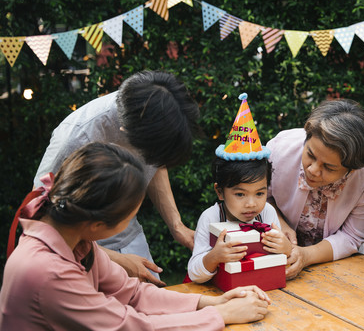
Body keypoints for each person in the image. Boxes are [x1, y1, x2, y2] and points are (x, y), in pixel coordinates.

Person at [1, 142, 270, 330]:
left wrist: (210, 301)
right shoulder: (48, 272)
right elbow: (127, 326)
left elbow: (132, 293)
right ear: (97, 224)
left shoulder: (78, 241)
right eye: (131, 215)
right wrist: (220, 314)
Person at [33, 70, 200, 286]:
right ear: (124, 132)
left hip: (129, 237)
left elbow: (156, 162)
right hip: (74, 251)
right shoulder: (75, 139)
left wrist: (177, 227)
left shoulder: (153, 114)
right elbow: (41, 219)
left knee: (156, 302)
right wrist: (117, 260)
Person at [266, 99, 364, 279]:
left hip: (341, 267)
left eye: (329, 167)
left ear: (352, 169)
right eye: (310, 155)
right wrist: (280, 223)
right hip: (276, 259)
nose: (313, 170)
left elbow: (352, 236)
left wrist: (305, 256)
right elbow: (259, 197)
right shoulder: (279, 148)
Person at [188, 93, 292, 283]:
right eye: (240, 194)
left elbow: (280, 261)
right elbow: (194, 273)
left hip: (260, 285)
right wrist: (214, 257)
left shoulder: (267, 213)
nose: (251, 203)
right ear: (219, 191)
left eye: (260, 193)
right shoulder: (211, 217)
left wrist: (286, 248)